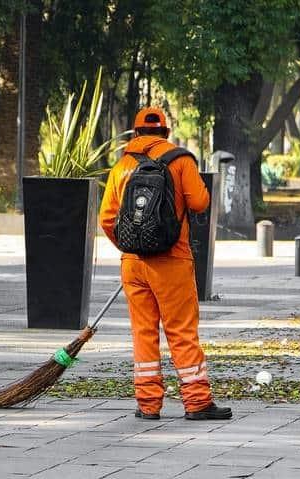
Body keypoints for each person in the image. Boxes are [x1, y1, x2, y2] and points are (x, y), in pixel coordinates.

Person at [98, 107, 232, 421]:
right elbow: (199, 202)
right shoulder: (181, 160)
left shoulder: (122, 165)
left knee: (143, 332)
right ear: (166, 133)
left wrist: (134, 246)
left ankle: (148, 404)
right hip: (172, 260)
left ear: (134, 134)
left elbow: (107, 219)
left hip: (133, 263)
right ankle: (197, 401)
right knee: (182, 331)